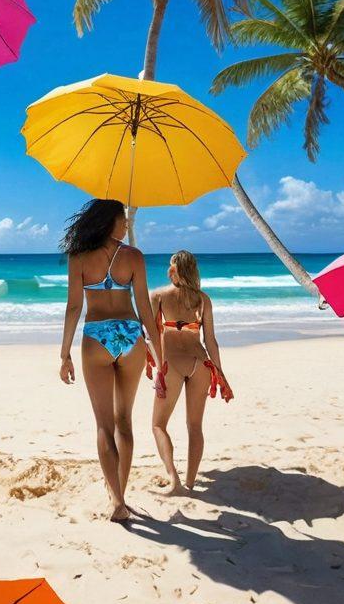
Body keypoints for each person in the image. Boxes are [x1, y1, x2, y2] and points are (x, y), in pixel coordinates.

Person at [59, 199, 163, 522]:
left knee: (104, 425)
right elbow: (145, 308)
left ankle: (116, 500)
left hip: (96, 337)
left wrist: (64, 353)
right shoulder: (134, 256)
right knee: (124, 421)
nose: (126, 224)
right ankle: (121, 493)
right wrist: (159, 356)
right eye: (123, 220)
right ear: (109, 222)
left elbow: (74, 307)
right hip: (130, 336)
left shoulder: (78, 257)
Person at [150, 250, 230, 495]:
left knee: (158, 425)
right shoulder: (203, 300)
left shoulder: (158, 296)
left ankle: (174, 480)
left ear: (175, 270)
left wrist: (155, 366)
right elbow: (211, 341)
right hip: (200, 364)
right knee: (195, 427)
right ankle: (190, 483)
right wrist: (220, 373)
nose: (167, 270)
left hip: (171, 364)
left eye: (170, 266)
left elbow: (151, 336)